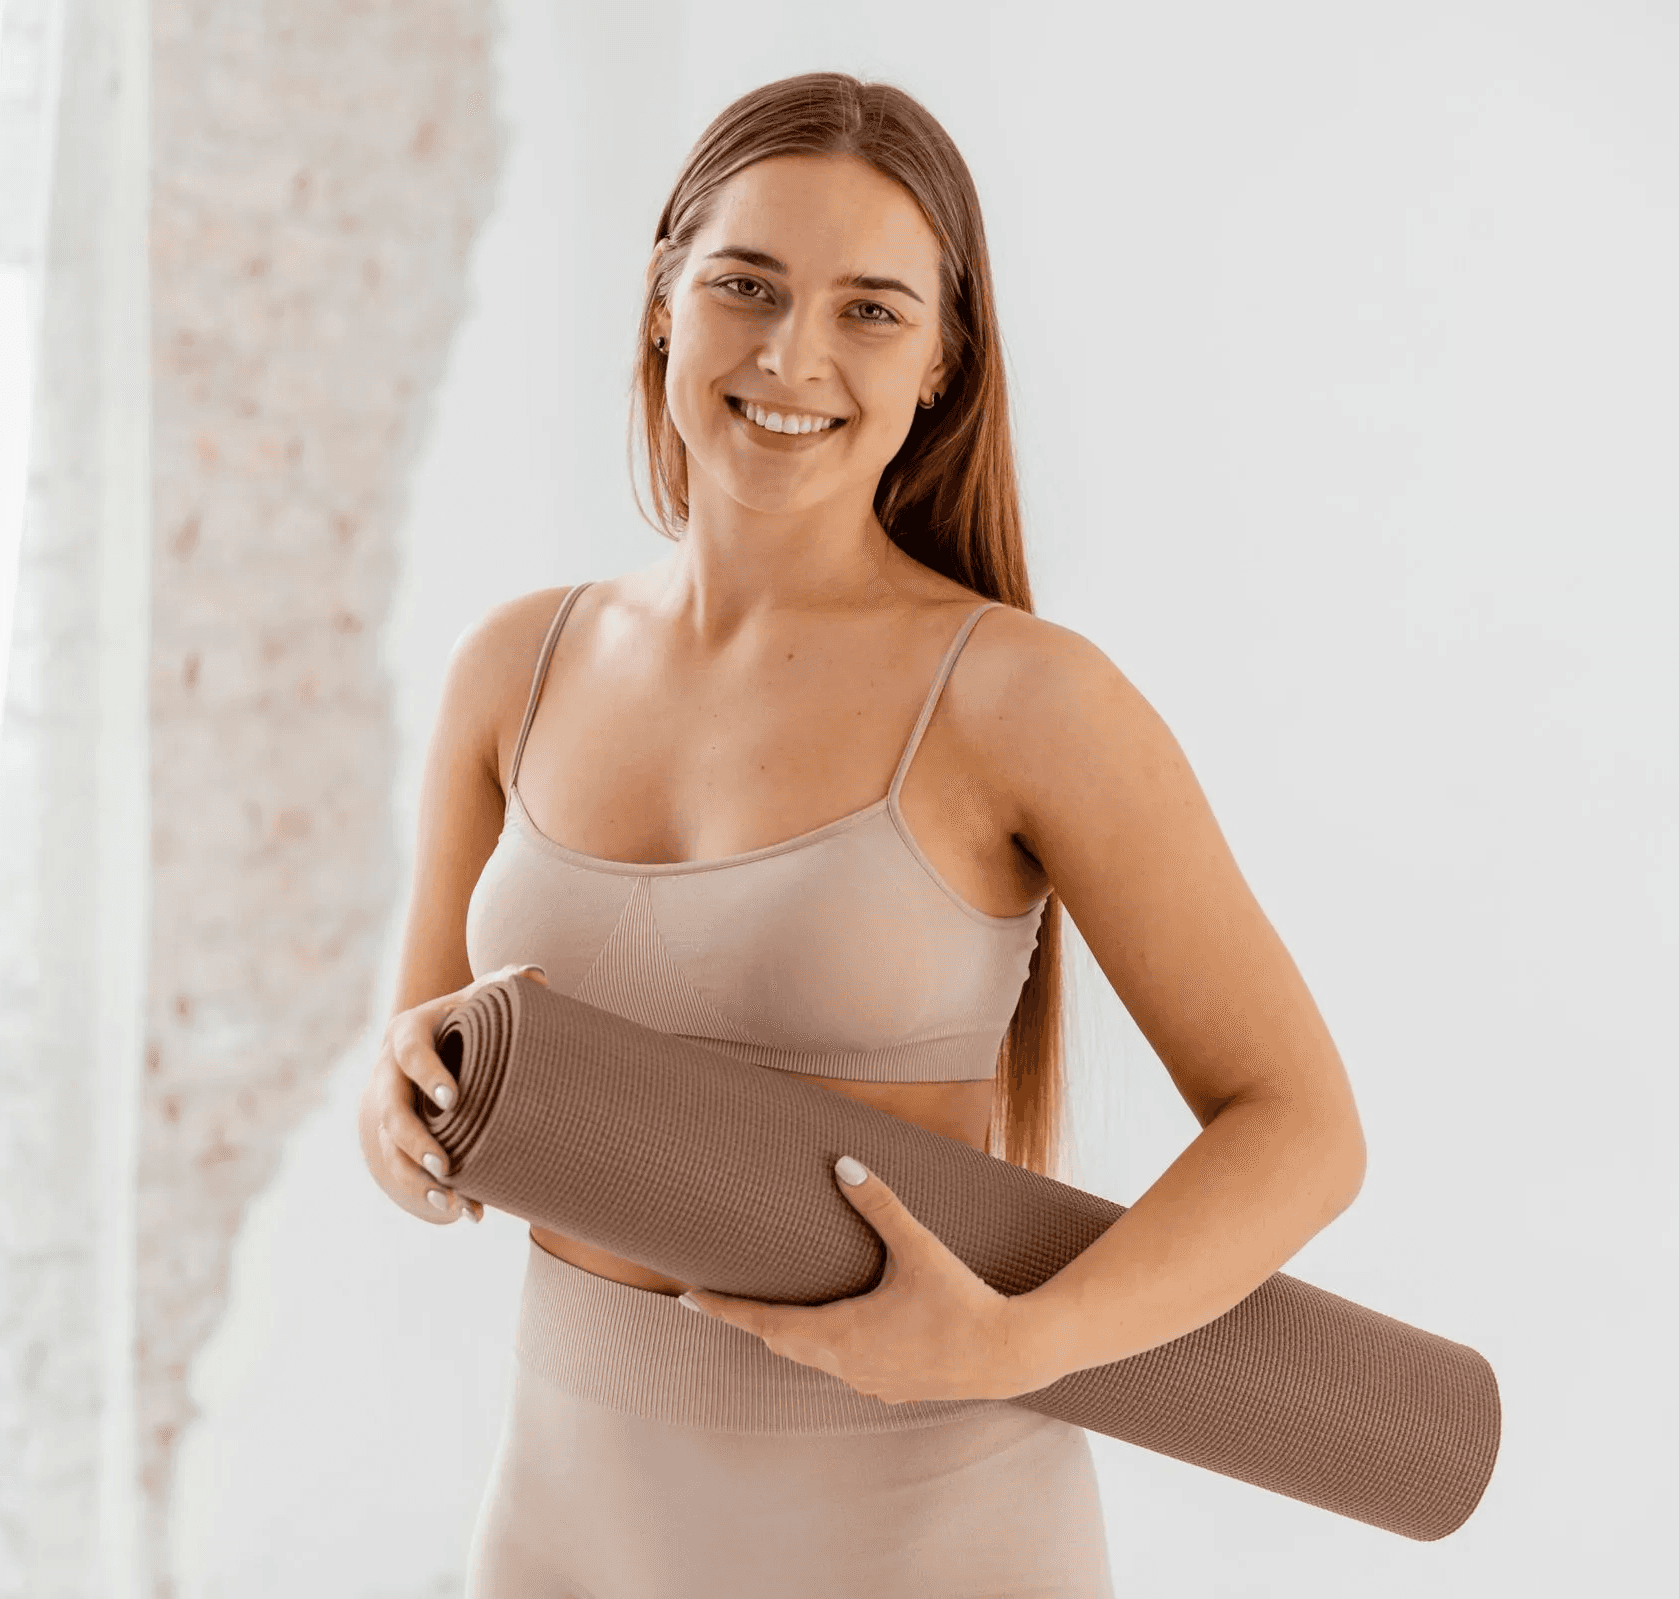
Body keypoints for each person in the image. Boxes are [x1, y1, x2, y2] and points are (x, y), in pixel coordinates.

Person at [357, 70, 1366, 1598]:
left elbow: (1299, 1127)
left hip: (927, 1529)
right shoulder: (513, 666)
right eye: (744, 286)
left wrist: (1026, 1340)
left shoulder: (1029, 703)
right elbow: (415, 1094)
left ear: (943, 363)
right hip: (569, 1518)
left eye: (872, 310)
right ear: (662, 305)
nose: (791, 355)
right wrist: (406, 1117)